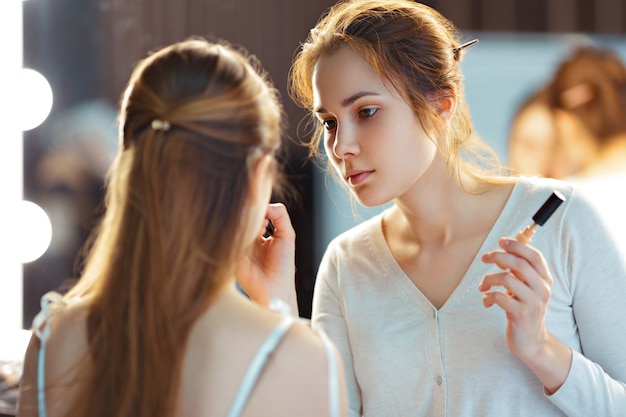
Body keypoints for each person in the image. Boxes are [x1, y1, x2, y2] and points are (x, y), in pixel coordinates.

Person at [287, 1, 626, 416]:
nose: (342, 147)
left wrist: (542, 351)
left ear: (440, 106)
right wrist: (277, 306)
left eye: (367, 111)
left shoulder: (561, 220)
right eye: (330, 122)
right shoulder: (346, 267)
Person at [17, 38, 347, 417]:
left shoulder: (52, 343)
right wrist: (278, 311)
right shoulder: (304, 361)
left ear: (130, 169)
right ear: (258, 175)